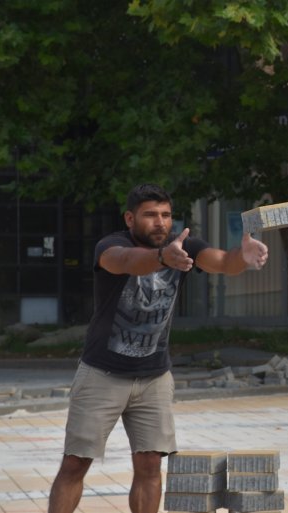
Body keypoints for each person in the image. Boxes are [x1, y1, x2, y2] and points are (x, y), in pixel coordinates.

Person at [48, 184, 269, 513]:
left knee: (150, 466)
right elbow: (128, 261)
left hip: (154, 377)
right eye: (150, 215)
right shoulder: (110, 246)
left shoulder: (186, 245)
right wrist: (164, 257)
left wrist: (243, 257)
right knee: (75, 464)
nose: (160, 223)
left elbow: (222, 261)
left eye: (166, 215)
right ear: (130, 218)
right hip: (102, 374)